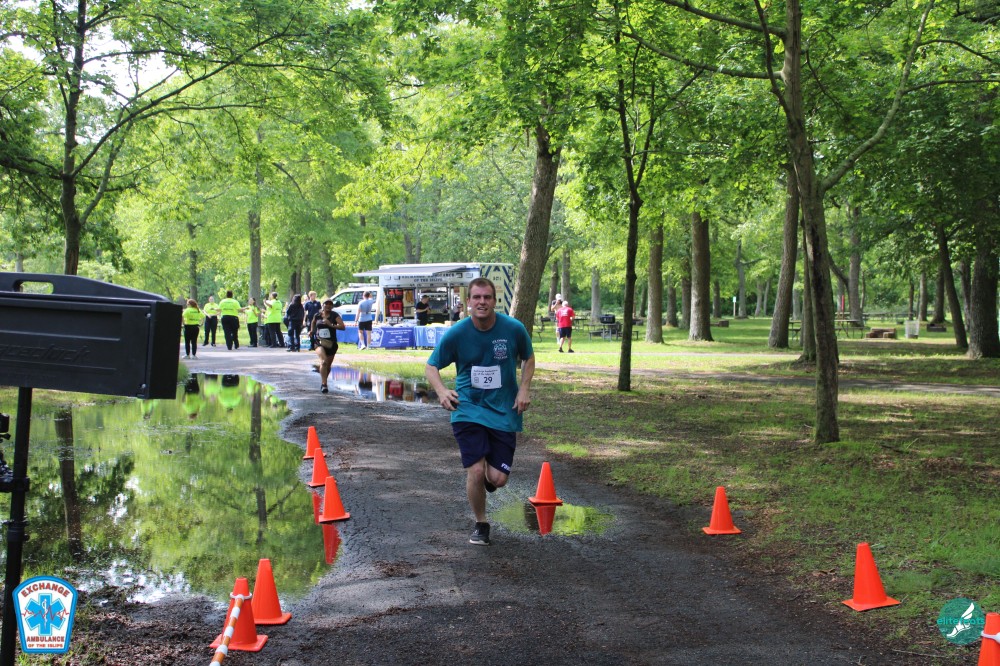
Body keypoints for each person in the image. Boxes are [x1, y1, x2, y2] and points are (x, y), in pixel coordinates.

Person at [425, 277, 535, 546]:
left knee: (498, 479)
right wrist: (442, 391)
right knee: (475, 470)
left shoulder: (513, 328)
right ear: (469, 302)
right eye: (477, 297)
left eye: (487, 297)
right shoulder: (458, 332)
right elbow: (431, 366)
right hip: (468, 408)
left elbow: (528, 357)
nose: (482, 302)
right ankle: (481, 523)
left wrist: (524, 389)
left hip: (503, 409)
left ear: (495, 301)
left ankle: (490, 475)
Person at [311, 299, 345, 393]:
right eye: (326, 304)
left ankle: (324, 378)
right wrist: (312, 331)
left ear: (332, 306)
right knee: (324, 362)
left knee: (328, 366)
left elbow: (342, 327)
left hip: (331, 343)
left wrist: (331, 325)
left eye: (330, 304)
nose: (328, 306)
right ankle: (324, 384)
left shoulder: (334, 315)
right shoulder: (317, 315)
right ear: (323, 305)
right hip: (319, 342)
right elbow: (313, 322)